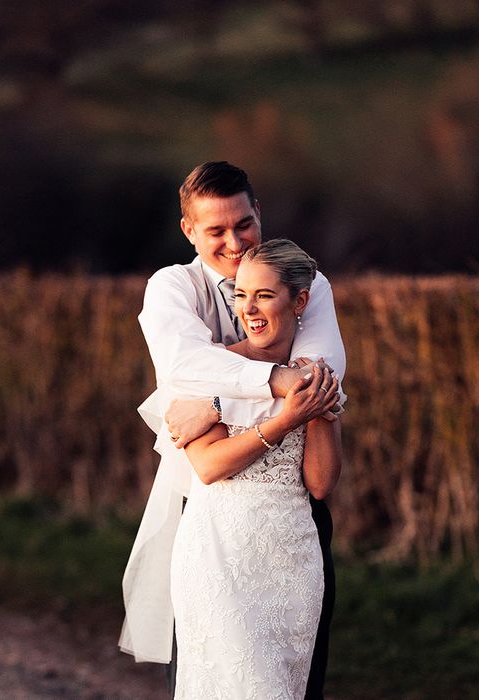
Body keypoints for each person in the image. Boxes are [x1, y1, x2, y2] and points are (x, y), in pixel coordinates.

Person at [119, 161, 346, 699]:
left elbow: (319, 375)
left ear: (258, 214)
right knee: (210, 670)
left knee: (295, 679)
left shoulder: (304, 280)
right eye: (215, 230)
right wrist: (274, 383)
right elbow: (183, 370)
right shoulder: (173, 287)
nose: (234, 242)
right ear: (188, 230)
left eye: (243, 224)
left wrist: (218, 398)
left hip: (293, 518)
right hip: (205, 509)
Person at [172, 239, 343, 698]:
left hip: (291, 560)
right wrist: (288, 418)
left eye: (264, 295)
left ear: (300, 301)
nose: (249, 307)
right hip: (218, 556)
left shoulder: (314, 377)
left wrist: (317, 408)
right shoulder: (214, 368)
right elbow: (208, 466)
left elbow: (321, 484)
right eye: (241, 294)